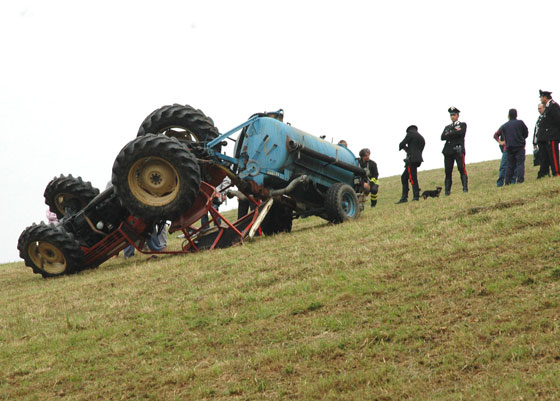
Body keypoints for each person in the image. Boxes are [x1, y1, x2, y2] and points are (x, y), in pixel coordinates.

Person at [441, 106, 468, 195]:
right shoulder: (447, 126)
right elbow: (442, 137)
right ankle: (447, 191)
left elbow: (461, 133)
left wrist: (450, 133)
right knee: (448, 171)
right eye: (451, 115)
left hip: (458, 150)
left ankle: (465, 188)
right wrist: (453, 132)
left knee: (461, 168)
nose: (452, 117)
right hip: (448, 151)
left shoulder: (462, 124)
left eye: (454, 115)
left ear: (457, 115)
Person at [396, 125, 425, 204]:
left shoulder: (410, 134)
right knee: (404, 177)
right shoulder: (421, 137)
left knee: (412, 178)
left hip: (411, 160)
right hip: (418, 159)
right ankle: (404, 197)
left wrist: (407, 150)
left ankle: (415, 196)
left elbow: (401, 144)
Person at [499, 109, 528, 184]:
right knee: (520, 164)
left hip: (509, 147)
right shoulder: (520, 123)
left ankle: (507, 181)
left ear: (508, 115)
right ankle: (520, 180)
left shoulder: (505, 126)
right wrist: (521, 138)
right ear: (516, 115)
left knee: (510, 165)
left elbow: (504, 136)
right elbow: (526, 133)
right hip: (519, 146)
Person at [538, 90, 560, 176]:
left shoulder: (553, 106)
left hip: (553, 135)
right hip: (548, 136)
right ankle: (554, 172)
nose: (540, 99)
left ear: (545, 97)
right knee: (550, 155)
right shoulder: (548, 107)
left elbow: (558, 120)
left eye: (541, 97)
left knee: (554, 155)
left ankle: (557, 172)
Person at [533, 103, 549, 177]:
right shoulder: (539, 119)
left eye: (540, 108)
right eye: (538, 109)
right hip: (540, 140)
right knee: (542, 157)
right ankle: (544, 173)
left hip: (547, 139)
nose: (539, 110)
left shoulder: (547, 117)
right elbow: (536, 130)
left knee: (549, 156)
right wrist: (534, 142)